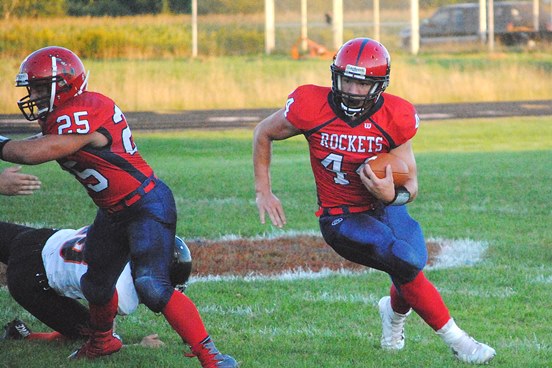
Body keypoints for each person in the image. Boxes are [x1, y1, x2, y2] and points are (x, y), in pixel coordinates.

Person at [253, 37, 496, 365]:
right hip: (341, 217)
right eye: (347, 80)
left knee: (411, 260)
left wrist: (390, 195)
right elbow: (263, 132)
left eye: (362, 83)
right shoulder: (311, 105)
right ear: (335, 76)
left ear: (379, 86)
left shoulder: (396, 115)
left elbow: (411, 183)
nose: (352, 90)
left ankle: (392, 316)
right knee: (403, 260)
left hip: (384, 206)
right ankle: (459, 342)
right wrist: (263, 191)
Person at [0, 46, 237, 367]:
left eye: (42, 88)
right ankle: (101, 343)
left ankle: (212, 357)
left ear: (66, 84)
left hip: (146, 204)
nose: (36, 96)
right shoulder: (64, 115)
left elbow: (37, 152)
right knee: (95, 284)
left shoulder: (86, 108)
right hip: (113, 211)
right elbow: (36, 144)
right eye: (34, 89)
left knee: (151, 285)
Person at [0, 220, 191, 347]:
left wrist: (187, 333)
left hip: (42, 238)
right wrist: (138, 346)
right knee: (90, 334)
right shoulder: (121, 292)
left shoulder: (131, 239)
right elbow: (104, 341)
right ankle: (21, 335)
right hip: (30, 276)